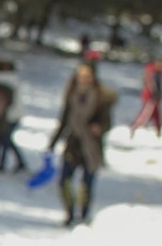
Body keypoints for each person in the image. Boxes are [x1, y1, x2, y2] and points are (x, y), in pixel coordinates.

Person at [46, 62, 118, 226]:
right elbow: (63, 121)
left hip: (91, 146)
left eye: (87, 75)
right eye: (81, 75)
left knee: (86, 184)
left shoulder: (101, 98)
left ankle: (83, 215)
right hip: (73, 143)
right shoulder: (71, 95)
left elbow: (107, 123)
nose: (84, 79)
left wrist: (99, 128)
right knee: (65, 181)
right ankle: (69, 213)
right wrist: (52, 143)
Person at [129, 57, 162, 138]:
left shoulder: (158, 72)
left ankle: (159, 131)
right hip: (150, 97)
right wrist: (153, 93)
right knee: (145, 114)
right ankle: (133, 128)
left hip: (155, 97)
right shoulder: (152, 71)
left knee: (157, 114)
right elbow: (151, 84)